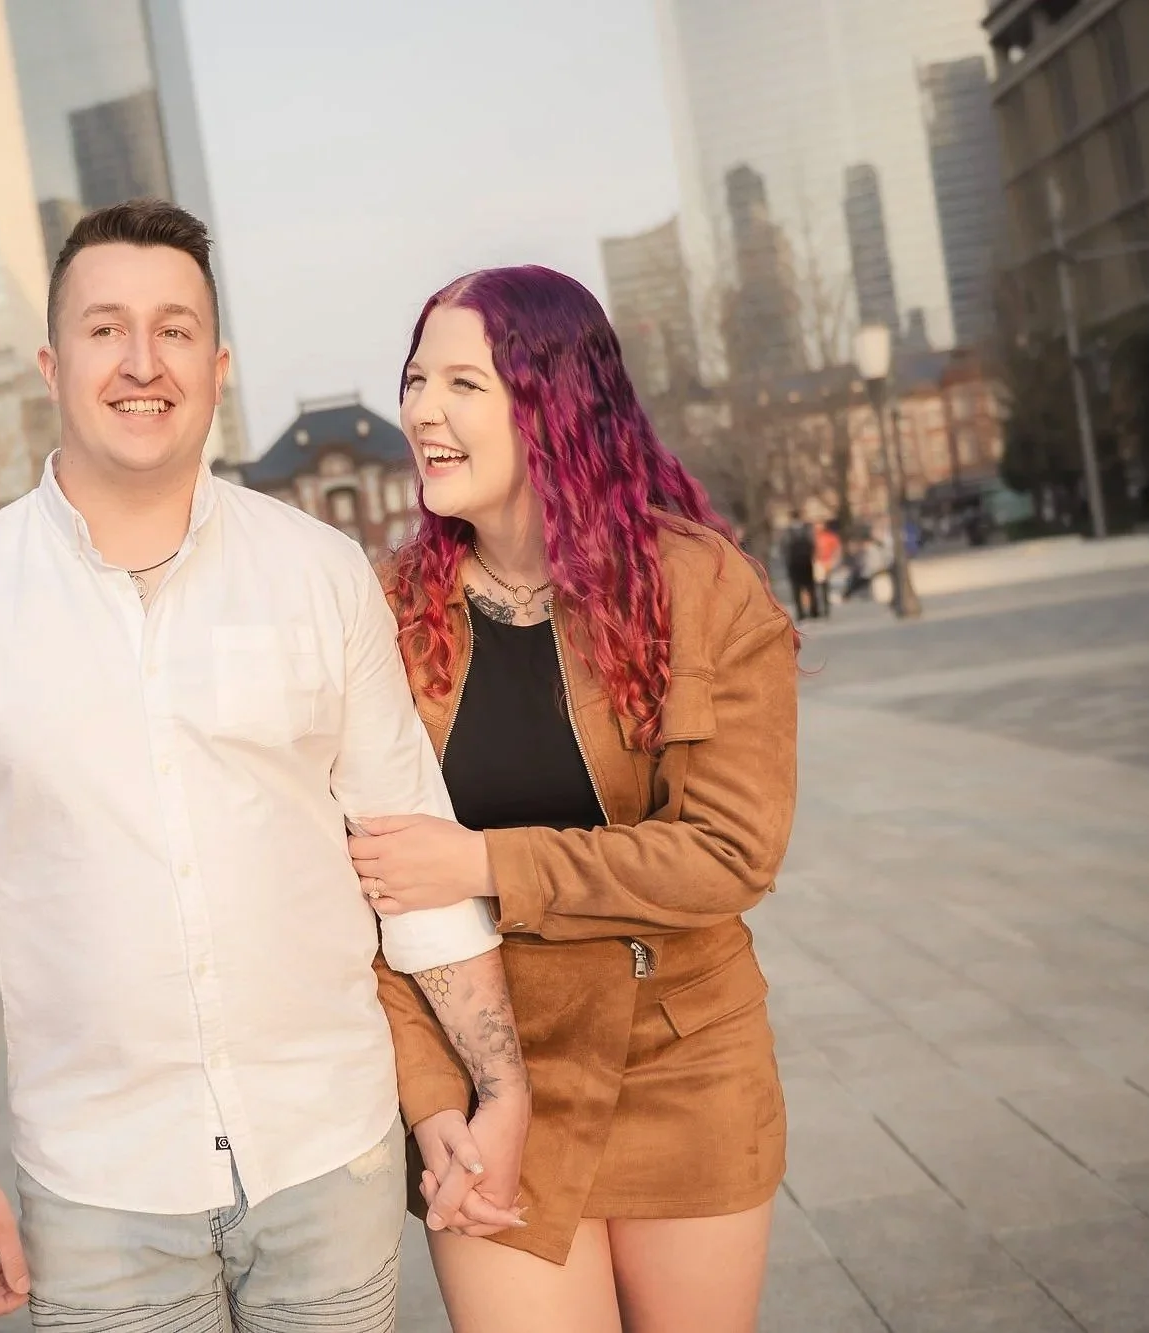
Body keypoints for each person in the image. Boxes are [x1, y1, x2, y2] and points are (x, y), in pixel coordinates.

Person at [0, 200, 530, 1331]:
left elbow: (406, 844)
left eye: (174, 330)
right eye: (104, 328)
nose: (140, 361)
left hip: (330, 1155)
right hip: (96, 1188)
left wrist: (499, 1085)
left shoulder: (317, 574)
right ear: (52, 362)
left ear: (216, 367)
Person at [348, 266, 798, 1333]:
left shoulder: (697, 585)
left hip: (683, 1057)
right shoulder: (386, 616)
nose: (422, 411)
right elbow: (373, 900)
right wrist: (431, 1104)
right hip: (488, 1068)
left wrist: (485, 864)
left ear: (553, 399)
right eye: (415, 381)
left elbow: (729, 853)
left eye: (464, 382)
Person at [781, 512, 819, 620]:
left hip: (793, 563)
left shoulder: (788, 532)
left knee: (796, 589)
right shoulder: (807, 529)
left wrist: (786, 561)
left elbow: (784, 547)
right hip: (807, 562)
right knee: (810, 588)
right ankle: (814, 611)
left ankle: (801, 613)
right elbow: (812, 544)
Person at [813, 520, 843, 613]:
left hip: (827, 562)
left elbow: (837, 548)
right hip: (817, 563)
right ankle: (818, 606)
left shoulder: (830, 537)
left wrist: (834, 560)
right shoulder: (813, 537)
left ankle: (826, 607)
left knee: (824, 585)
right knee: (817, 585)